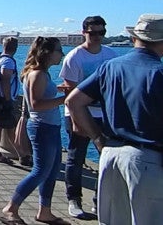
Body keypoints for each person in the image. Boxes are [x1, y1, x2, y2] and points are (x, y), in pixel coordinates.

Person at [66, 14, 163, 225]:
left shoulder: (111, 66)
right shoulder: (158, 73)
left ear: (134, 37)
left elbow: (73, 102)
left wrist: (98, 138)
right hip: (147, 159)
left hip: (110, 155)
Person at [0, 37, 69, 225]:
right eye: (58, 50)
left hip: (51, 127)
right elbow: (37, 105)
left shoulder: (42, 74)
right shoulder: (38, 74)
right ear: (47, 52)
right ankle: (11, 207)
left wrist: (59, 91)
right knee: (39, 171)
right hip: (42, 128)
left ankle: (44, 211)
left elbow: (41, 96)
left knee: (52, 170)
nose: (61, 54)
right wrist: (65, 99)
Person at [59, 16, 117, 218]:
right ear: (84, 32)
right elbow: (69, 91)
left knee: (107, 159)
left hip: (104, 114)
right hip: (79, 113)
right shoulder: (74, 57)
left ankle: (99, 200)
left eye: (101, 33)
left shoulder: (111, 55)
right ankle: (74, 199)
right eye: (93, 33)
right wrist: (75, 120)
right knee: (76, 157)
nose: (97, 37)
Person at [0, 36, 20, 164]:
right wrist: (7, 99)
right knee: (7, 126)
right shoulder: (8, 61)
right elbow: (5, 80)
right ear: (15, 48)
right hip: (1, 98)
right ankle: (19, 153)